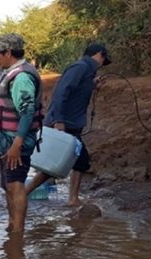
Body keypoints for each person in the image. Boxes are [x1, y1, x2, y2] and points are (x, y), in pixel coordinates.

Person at [25, 43, 111, 206]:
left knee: (62, 164)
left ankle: (25, 194)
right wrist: (59, 120)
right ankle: (71, 199)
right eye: (103, 59)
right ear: (99, 54)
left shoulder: (86, 70)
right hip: (64, 123)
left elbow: (76, 90)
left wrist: (94, 86)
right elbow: (61, 92)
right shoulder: (80, 67)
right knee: (77, 160)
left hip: (69, 123)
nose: (102, 64)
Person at [0, 33, 43, 233]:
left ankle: (18, 233)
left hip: (15, 141)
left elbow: (27, 112)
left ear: (8, 52)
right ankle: (11, 226)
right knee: (8, 185)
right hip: (6, 139)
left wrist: (17, 144)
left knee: (16, 184)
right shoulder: (10, 72)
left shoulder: (21, 77)